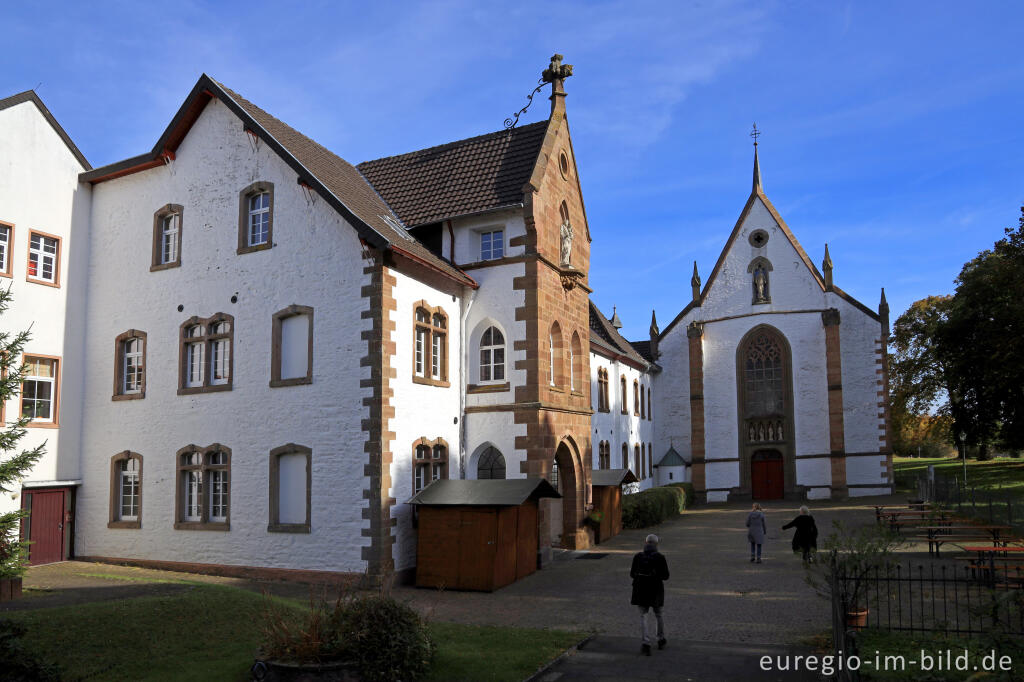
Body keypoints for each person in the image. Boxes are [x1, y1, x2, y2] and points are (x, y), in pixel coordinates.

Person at [630, 533, 670, 656]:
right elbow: (666, 576)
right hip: (656, 591)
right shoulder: (660, 557)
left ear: (645, 542)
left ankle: (646, 643)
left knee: (644, 616)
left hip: (641, 591)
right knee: (658, 614)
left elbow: (632, 574)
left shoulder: (637, 557)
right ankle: (660, 639)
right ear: (656, 544)